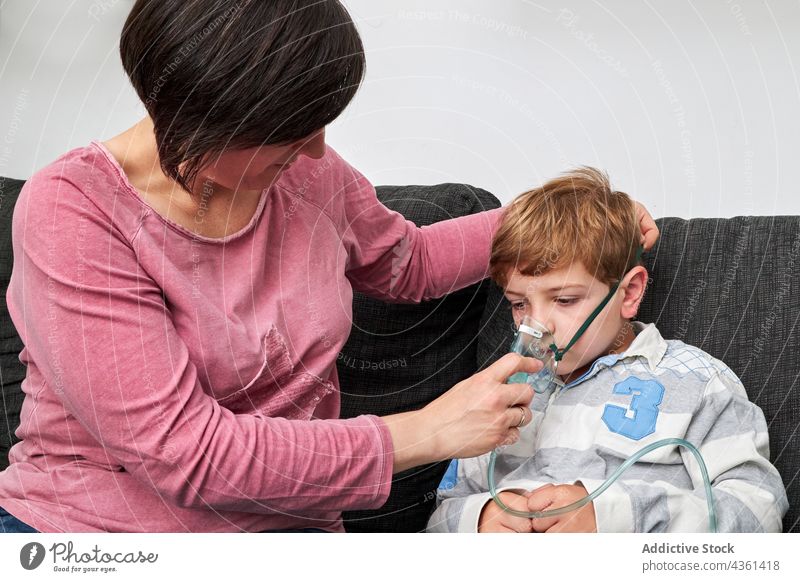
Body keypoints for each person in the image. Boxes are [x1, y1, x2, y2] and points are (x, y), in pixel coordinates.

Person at [0, 1, 657, 533]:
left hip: (292, 532)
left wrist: (575, 216)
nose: (317, 148)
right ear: (196, 125)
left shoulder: (309, 175)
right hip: (94, 539)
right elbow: (186, 455)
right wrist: (425, 432)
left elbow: (409, 261)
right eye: (293, 132)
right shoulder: (74, 217)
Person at [427, 167, 788, 533]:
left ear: (629, 294)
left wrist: (609, 521)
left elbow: (758, 509)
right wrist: (480, 519)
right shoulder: (501, 395)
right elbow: (443, 510)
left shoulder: (695, 382)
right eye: (519, 304)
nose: (536, 326)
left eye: (565, 299)